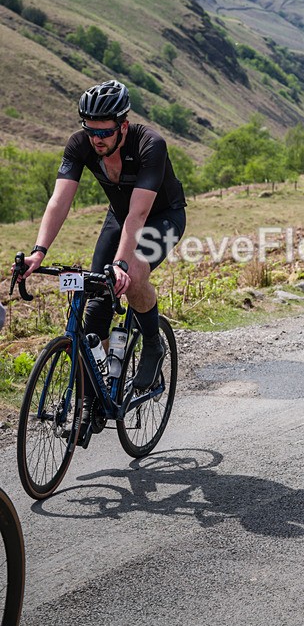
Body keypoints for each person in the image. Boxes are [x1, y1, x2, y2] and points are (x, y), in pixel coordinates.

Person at [19, 79, 187, 392]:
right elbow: (59, 201)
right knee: (96, 304)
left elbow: (138, 215)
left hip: (162, 218)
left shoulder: (150, 144)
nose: (96, 139)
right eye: (90, 130)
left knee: (133, 274)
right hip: (119, 217)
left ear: (123, 125)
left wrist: (122, 264)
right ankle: (97, 391)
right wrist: (38, 252)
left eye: (104, 132)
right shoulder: (80, 144)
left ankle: (152, 343)